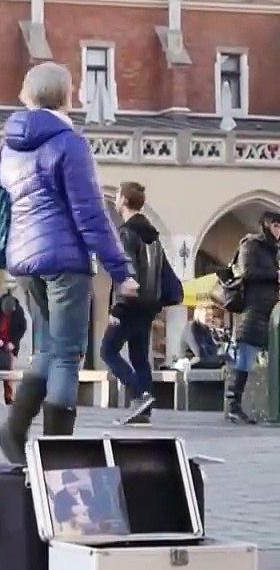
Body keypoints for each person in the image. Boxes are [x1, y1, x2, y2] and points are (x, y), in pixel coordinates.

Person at [0, 63, 138, 464]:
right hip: (65, 261)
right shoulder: (69, 143)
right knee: (69, 353)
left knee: (48, 348)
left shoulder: (8, 146)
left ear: (26, 96)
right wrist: (121, 270)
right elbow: (90, 214)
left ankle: (15, 428)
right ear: (67, 96)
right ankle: (56, 449)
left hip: (24, 260)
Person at [102, 182, 170, 426]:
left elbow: (127, 272)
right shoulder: (154, 236)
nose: (116, 199)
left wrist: (118, 308)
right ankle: (144, 410)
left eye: (118, 195)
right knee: (140, 356)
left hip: (130, 305)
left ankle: (138, 394)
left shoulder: (127, 233)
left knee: (108, 351)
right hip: (148, 306)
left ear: (124, 200)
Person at [223, 212, 280, 425]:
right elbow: (247, 272)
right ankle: (233, 406)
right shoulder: (251, 245)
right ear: (266, 226)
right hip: (254, 309)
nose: (279, 231)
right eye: (276, 226)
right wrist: (276, 275)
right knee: (244, 359)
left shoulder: (274, 250)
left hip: (272, 311)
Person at [0, 291, 27, 405]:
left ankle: (9, 397)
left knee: (9, 370)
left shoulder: (18, 312)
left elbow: (22, 328)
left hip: (10, 342)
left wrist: (14, 342)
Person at [179, 303, 226, 369]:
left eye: (211, 315)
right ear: (198, 315)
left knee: (226, 358)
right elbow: (199, 352)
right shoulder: (191, 327)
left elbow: (214, 350)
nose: (210, 318)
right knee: (224, 359)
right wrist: (208, 352)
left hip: (204, 361)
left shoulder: (205, 328)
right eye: (206, 315)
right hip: (191, 363)